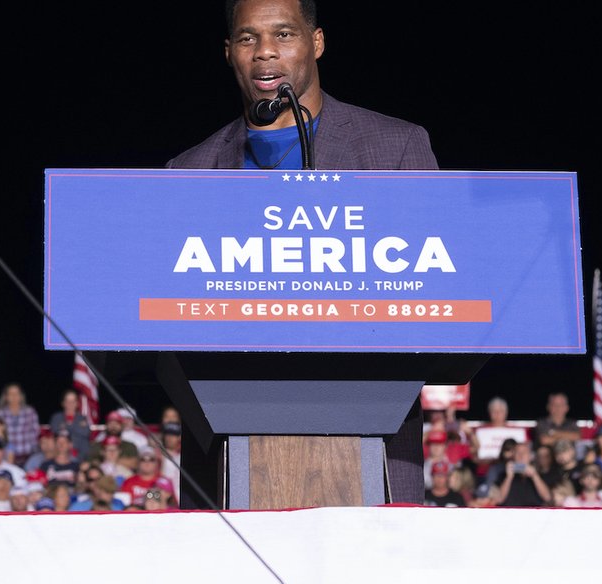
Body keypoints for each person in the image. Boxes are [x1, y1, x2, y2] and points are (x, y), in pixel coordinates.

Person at [166, 0, 439, 504]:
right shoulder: (188, 171)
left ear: (316, 43)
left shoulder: (395, 149)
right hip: (226, 457)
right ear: (229, 53)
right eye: (248, 39)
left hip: (370, 447)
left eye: (283, 35)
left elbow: (437, 286)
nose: (265, 52)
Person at [0, 383, 40, 466]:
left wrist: (34, 453)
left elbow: (36, 434)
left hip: (28, 456)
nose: (14, 396)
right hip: (7, 457)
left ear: (21, 396)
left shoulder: (30, 412)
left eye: (16, 393)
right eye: (11, 394)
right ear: (6, 397)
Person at [47, 389, 91, 461]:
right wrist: (76, 427)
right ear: (63, 403)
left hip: (79, 455)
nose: (70, 404)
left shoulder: (82, 418)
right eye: (68, 401)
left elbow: (86, 433)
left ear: (77, 403)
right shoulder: (56, 418)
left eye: (73, 401)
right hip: (59, 454)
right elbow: (56, 433)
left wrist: (66, 427)